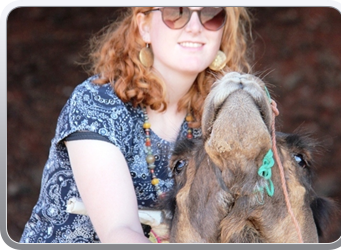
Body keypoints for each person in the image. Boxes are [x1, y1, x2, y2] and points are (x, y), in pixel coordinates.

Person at [19, 7, 252, 243]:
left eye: (211, 14)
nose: (195, 26)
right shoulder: (97, 104)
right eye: (176, 12)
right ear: (145, 27)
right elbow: (119, 232)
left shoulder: (212, 119)